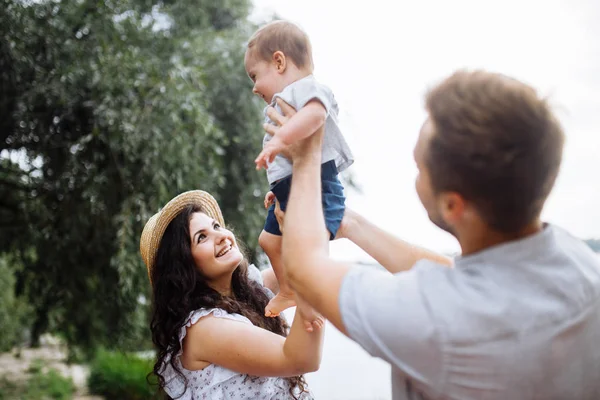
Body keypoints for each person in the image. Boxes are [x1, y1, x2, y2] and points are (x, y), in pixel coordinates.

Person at [269, 70, 600, 399]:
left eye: (419, 168)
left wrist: (306, 158)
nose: (415, 175)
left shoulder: (437, 321)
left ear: (453, 205)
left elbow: (304, 268)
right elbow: (453, 277)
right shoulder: (581, 263)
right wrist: (351, 224)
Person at [139, 190, 323, 399]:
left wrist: (286, 209)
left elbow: (296, 272)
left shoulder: (247, 293)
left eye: (216, 226)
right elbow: (302, 358)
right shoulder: (204, 328)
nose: (222, 236)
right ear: (182, 267)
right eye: (202, 237)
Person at [244, 20, 354, 322]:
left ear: (279, 62)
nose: (254, 87)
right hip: (289, 188)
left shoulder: (307, 89)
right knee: (268, 242)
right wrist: (278, 186)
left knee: (307, 246)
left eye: (255, 75)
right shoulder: (287, 99)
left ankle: (316, 297)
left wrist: (279, 139)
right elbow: (291, 159)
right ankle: (290, 289)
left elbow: (316, 114)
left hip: (319, 184)